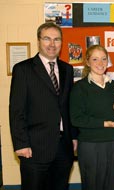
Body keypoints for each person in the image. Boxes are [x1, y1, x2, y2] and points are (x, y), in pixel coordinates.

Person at [9, 22, 77, 190]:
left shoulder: (67, 69)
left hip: (63, 148)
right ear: (38, 40)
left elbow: (69, 107)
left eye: (56, 39)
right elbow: (16, 110)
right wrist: (21, 144)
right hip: (34, 149)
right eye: (47, 39)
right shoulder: (23, 69)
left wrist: (74, 136)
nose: (52, 44)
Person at [70, 45, 114, 190]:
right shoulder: (80, 88)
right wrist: (106, 124)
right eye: (95, 59)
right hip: (92, 145)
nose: (100, 63)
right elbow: (77, 119)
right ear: (87, 62)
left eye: (103, 59)